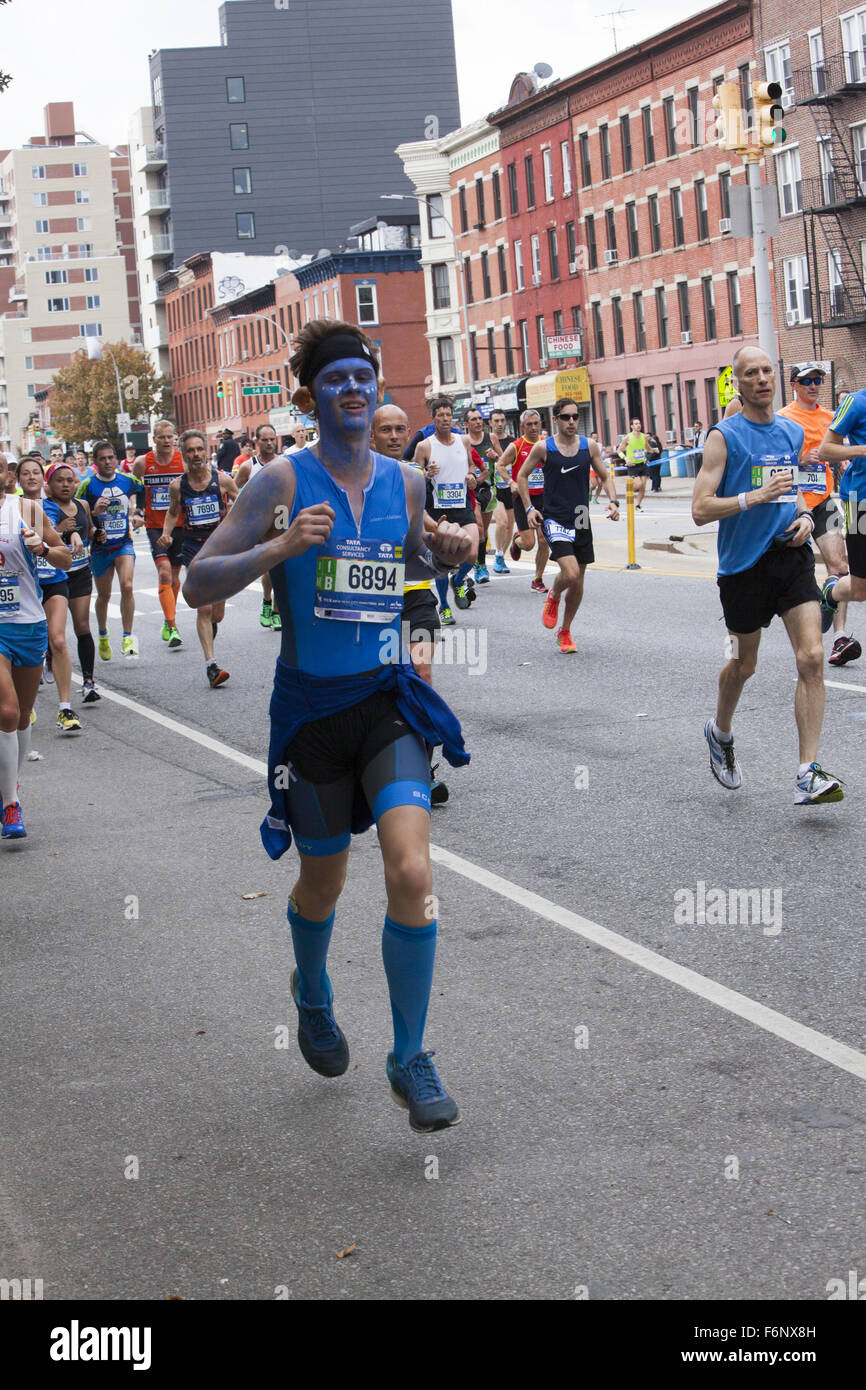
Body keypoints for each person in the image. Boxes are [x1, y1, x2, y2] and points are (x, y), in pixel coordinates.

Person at [183, 319, 474, 1132]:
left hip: (386, 702)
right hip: (310, 711)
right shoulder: (278, 482)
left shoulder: (406, 481)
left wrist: (450, 549)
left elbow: (411, 561)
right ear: (310, 398)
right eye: (338, 379)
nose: (355, 389)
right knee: (324, 879)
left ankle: (409, 1056)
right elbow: (198, 582)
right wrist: (277, 550)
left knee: (412, 875)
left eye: (365, 375)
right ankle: (312, 992)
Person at [693, 346, 842, 804]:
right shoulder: (724, 437)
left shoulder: (791, 431)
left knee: (812, 657)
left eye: (765, 371)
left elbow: (792, 489)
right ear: (737, 383)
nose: (760, 378)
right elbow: (700, 509)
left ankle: (807, 773)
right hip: (742, 568)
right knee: (744, 664)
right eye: (750, 373)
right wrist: (753, 497)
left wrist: (802, 518)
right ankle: (720, 732)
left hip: (789, 559)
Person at [372, 403, 448, 804]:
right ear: (371, 435)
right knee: (375, 686)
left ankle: (423, 767)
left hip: (415, 590)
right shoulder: (355, 480)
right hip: (371, 598)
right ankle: (377, 767)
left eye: (402, 429)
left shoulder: (414, 477)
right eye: (386, 430)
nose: (396, 436)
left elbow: (424, 522)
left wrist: (449, 537)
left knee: (422, 675)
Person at [0, 452, 71, 839]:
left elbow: (64, 558)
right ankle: (11, 803)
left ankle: (8, 787)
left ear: (6, 474)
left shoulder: (26, 510)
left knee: (24, 714)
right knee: (6, 711)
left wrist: (41, 549)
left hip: (27, 621)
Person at [517, 398, 619, 654]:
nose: (572, 421)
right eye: (566, 417)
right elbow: (522, 476)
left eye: (575, 417)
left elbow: (605, 476)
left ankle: (565, 630)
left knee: (578, 580)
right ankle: (553, 594)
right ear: (556, 419)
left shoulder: (589, 446)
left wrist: (614, 502)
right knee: (570, 573)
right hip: (555, 518)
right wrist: (530, 508)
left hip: (581, 516)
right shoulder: (543, 448)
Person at [779, 363, 859, 666]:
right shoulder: (784, 419)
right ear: (794, 385)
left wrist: (843, 463)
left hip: (823, 501)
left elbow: (839, 451)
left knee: (839, 565)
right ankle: (811, 623)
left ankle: (839, 637)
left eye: (818, 380)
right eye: (807, 381)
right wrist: (801, 460)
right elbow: (774, 461)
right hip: (792, 504)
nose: (813, 385)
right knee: (798, 569)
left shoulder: (830, 418)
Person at [159, 430, 238, 687]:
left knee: (217, 614)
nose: (195, 455)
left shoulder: (223, 480)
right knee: (204, 607)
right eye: (190, 450)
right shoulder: (177, 486)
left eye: (199, 450)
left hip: (221, 547)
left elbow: (241, 505)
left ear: (207, 451)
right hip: (194, 549)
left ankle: (210, 633)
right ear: (184, 453)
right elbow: (172, 514)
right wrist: (167, 533)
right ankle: (211, 666)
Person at [413, 398, 480, 625]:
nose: (445, 419)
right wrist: (427, 473)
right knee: (443, 559)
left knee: (472, 552)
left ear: (453, 417)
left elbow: (471, 466)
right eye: (440, 415)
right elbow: (413, 475)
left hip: (462, 505)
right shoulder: (425, 446)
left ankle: (459, 580)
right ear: (433, 418)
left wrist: (471, 477)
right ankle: (444, 605)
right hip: (438, 509)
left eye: (448, 415)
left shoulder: (464, 441)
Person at [76, 440, 145, 660]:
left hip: (123, 543)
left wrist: (138, 513)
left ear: (116, 459)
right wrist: (95, 517)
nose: (107, 462)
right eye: (102, 458)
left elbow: (143, 491)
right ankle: (103, 635)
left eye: (110, 457)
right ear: (95, 462)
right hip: (100, 548)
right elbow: (78, 515)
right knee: (104, 595)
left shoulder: (127, 480)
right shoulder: (87, 485)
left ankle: (127, 636)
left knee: (127, 585)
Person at [43, 460, 99, 703]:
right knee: (55, 634)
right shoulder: (45, 508)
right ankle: (49, 654)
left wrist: (98, 534)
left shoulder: (83, 505)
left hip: (80, 572)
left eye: (70, 480)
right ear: (50, 485)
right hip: (55, 575)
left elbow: (90, 531)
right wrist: (59, 528)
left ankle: (88, 681)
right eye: (59, 480)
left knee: (83, 626)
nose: (65, 485)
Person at [817, 385, 866, 639]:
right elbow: (826, 450)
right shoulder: (856, 403)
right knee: (860, 590)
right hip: (861, 501)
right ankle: (831, 592)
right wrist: (863, 450)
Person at [133, 419, 185, 651]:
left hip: (181, 525)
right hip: (155, 526)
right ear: (154, 439)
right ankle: (172, 626)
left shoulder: (181, 460)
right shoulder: (143, 463)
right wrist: (136, 512)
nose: (166, 441)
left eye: (169, 436)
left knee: (174, 577)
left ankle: (167, 618)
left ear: (174, 437)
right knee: (164, 572)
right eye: (161, 437)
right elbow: (134, 490)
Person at [234, 423, 283, 631]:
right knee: (269, 567)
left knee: (281, 567)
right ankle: (266, 601)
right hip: (258, 523)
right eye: (265, 439)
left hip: (281, 521)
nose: (270, 443)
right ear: (257, 441)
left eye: (273, 439)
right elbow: (233, 489)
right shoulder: (248, 466)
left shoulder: (284, 464)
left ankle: (277, 611)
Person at [499, 410, 550, 590]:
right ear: (522, 426)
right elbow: (500, 465)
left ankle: (538, 579)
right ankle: (517, 540)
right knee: (529, 544)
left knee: (544, 540)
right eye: (529, 424)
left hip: (544, 497)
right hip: (523, 498)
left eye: (536, 423)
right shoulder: (516, 446)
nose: (534, 427)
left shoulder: (546, 444)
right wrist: (510, 482)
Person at [463, 408, 497, 583]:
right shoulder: (463, 442)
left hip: (488, 488)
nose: (478, 422)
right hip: (470, 490)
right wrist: (472, 482)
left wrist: (494, 456)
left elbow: (502, 458)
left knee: (484, 528)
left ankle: (480, 561)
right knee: (479, 527)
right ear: (466, 424)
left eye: (480, 418)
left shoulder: (490, 438)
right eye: (474, 419)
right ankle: (480, 566)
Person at [618, 418, 649, 510]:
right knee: (638, 484)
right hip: (633, 466)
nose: (638, 425)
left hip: (642, 464)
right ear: (631, 426)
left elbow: (647, 448)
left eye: (639, 423)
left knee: (643, 486)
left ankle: (638, 505)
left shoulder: (644, 436)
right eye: (636, 424)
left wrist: (652, 450)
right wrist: (626, 458)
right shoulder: (627, 438)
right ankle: (629, 487)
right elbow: (619, 451)